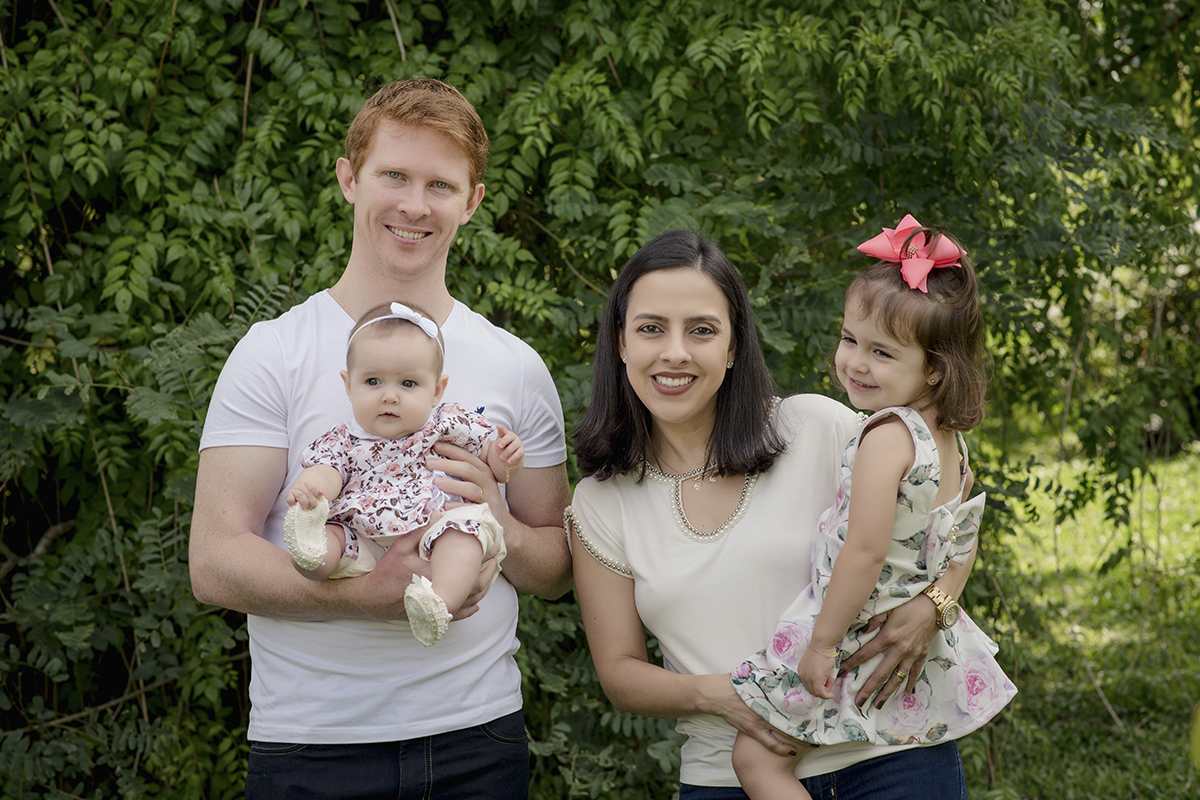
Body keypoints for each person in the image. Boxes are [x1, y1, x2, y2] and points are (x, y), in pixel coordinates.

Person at [189, 77, 571, 799]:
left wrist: (500, 524)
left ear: (473, 201)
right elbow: (212, 563)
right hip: (311, 746)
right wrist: (363, 595)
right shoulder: (274, 353)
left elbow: (555, 569)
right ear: (349, 179)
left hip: (478, 740)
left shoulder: (515, 366)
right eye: (393, 175)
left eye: (440, 185)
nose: (414, 205)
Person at [567, 228, 984, 800]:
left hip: (890, 755)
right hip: (729, 778)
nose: (675, 352)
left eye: (702, 330)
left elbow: (946, 514)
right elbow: (620, 675)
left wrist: (935, 603)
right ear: (620, 342)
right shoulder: (600, 502)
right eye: (650, 328)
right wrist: (731, 695)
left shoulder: (817, 426)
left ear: (734, 345)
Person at [729, 216, 1017, 799]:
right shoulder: (951, 442)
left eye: (881, 352)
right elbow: (962, 540)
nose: (856, 363)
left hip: (856, 624)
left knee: (754, 757)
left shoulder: (886, 435)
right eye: (849, 340)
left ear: (934, 368)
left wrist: (821, 644)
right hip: (904, 622)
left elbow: (862, 551)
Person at [282, 301, 526, 647]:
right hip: (363, 533)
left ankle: (438, 601)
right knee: (331, 537)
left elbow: (495, 465)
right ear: (348, 385)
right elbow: (327, 471)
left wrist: (506, 456)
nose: (390, 396)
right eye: (373, 381)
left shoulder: (447, 422)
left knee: (464, 533)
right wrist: (311, 491)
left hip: (436, 524)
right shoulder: (343, 439)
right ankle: (308, 552)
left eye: (408, 383)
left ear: (437, 390)